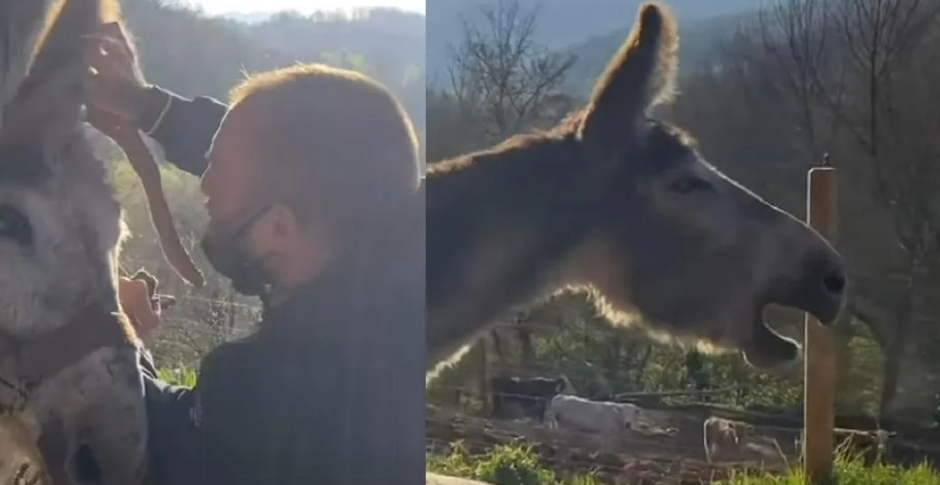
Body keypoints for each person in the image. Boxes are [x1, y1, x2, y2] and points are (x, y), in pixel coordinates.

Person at [84, 22, 425, 485]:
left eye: (215, 169)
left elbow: (153, 444)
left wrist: (120, 338)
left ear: (279, 227)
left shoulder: (253, 390)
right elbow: (297, 154)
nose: (204, 184)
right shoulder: (401, 295)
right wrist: (145, 105)